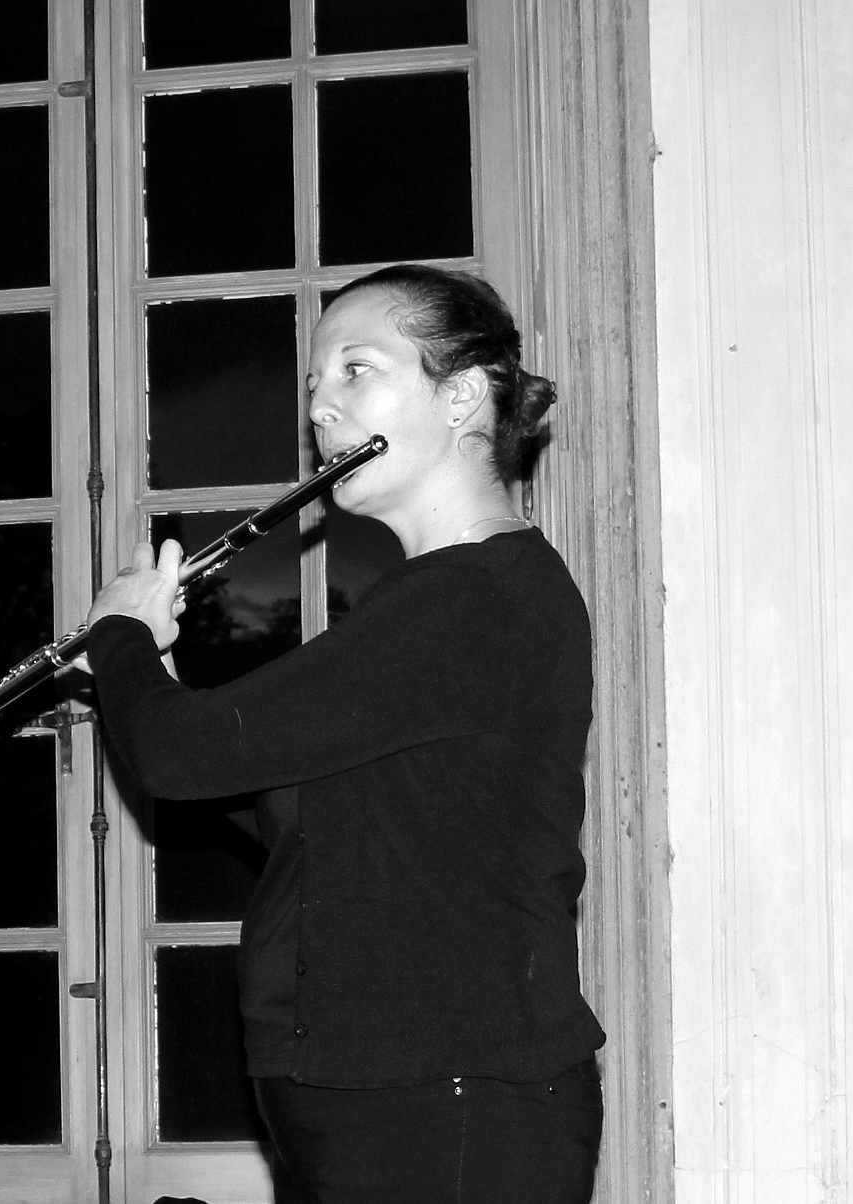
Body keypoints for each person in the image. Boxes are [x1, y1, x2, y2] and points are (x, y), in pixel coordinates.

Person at [84, 264, 604, 1202]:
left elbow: (181, 754)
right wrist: (153, 679)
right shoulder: (423, 604)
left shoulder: (479, 596)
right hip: (374, 1090)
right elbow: (315, 815)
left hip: (449, 1096)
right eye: (314, 385)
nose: (322, 407)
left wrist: (125, 641)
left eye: (357, 371)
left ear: (462, 396)